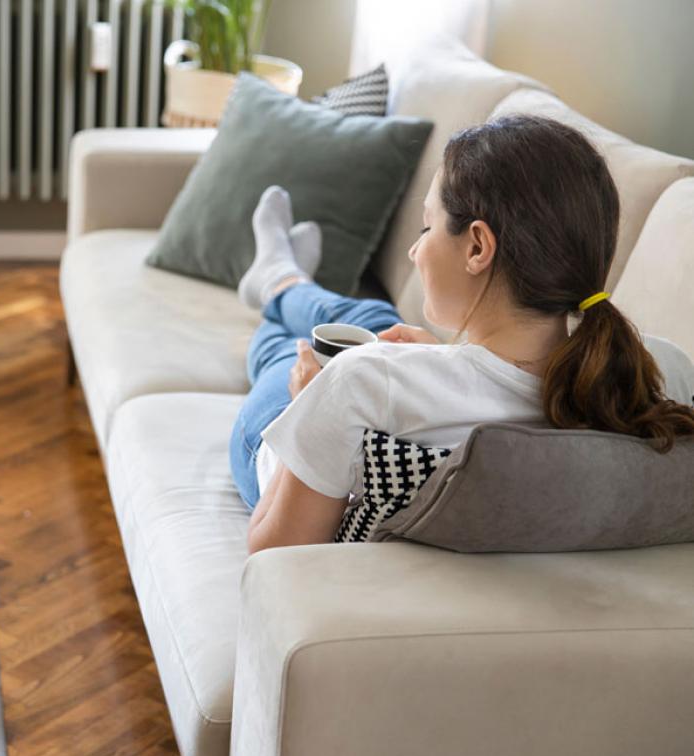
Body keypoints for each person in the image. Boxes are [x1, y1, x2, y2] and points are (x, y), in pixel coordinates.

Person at [231, 114, 694, 554]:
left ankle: (279, 281)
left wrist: (311, 408)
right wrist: (439, 360)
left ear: (477, 246)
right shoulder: (662, 370)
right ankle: (283, 279)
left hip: (289, 463)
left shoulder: (360, 383)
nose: (414, 250)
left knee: (283, 349)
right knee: (373, 317)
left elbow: (273, 552)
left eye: (428, 226)